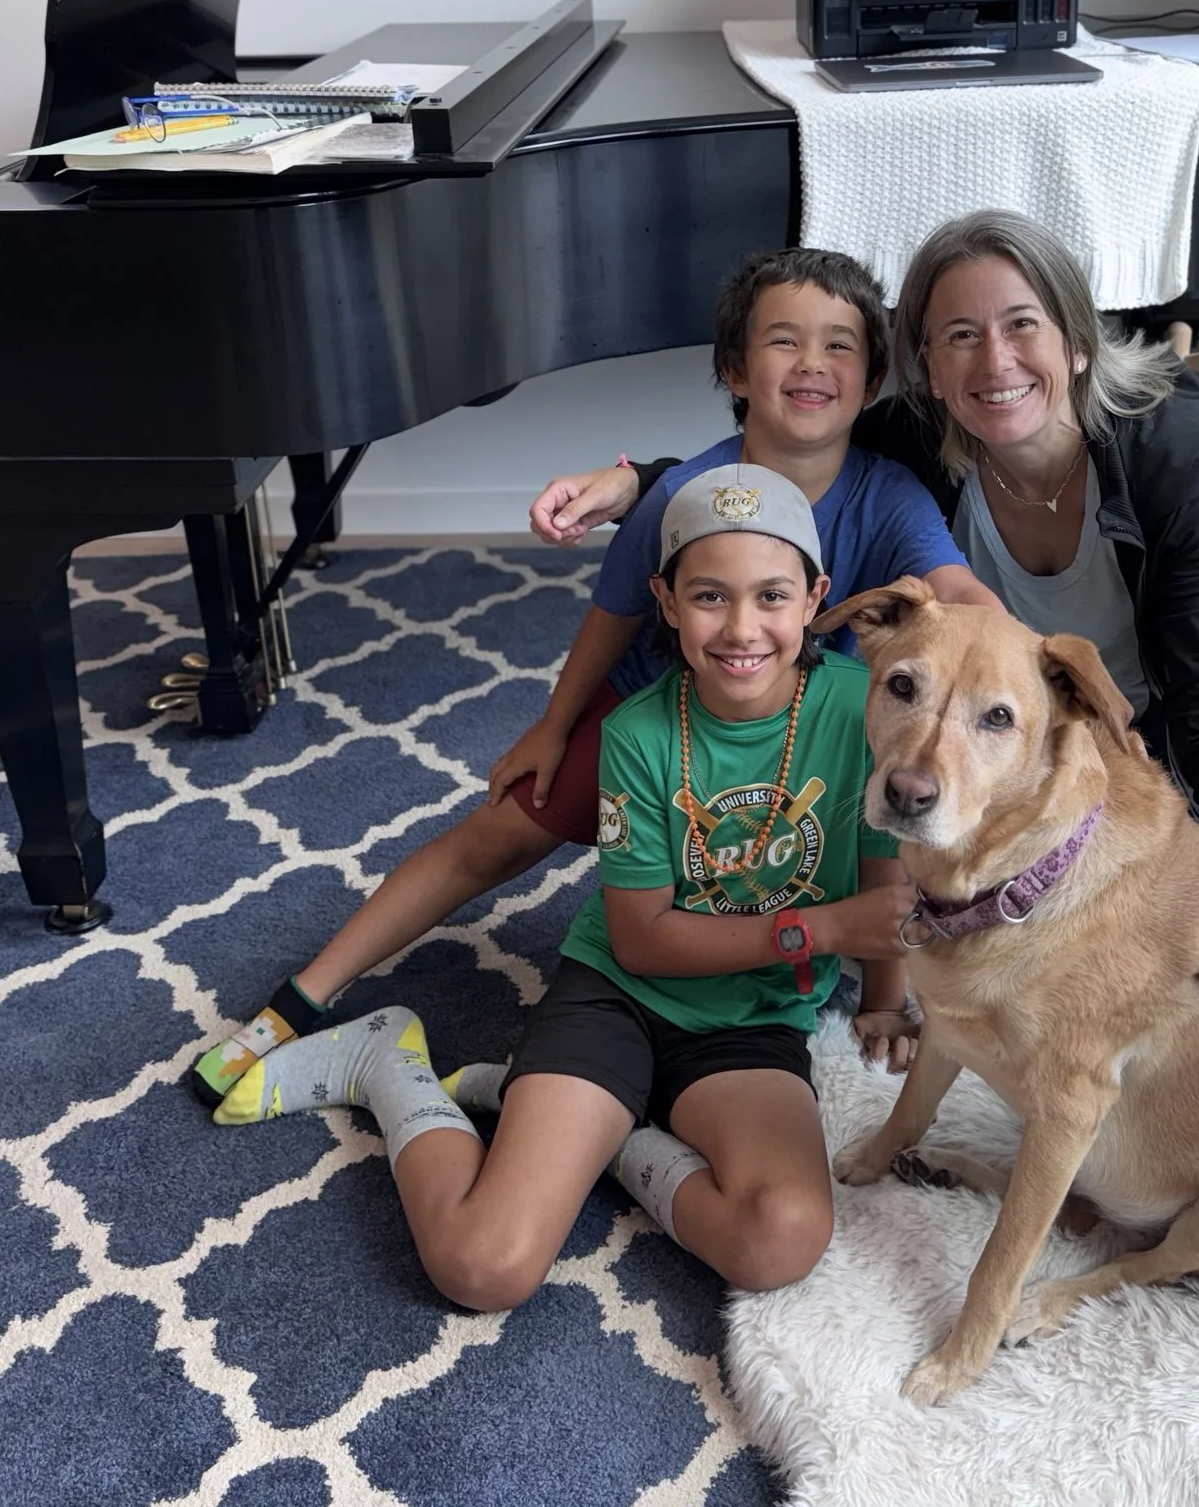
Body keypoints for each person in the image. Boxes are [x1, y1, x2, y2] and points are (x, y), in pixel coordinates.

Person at [186, 247, 997, 1107]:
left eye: (839, 346)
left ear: (871, 380)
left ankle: (856, 991)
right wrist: (555, 723)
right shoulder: (676, 493)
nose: (810, 364)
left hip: (805, 728)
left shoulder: (895, 496)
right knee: (503, 830)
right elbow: (612, 619)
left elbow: (960, 594)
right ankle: (303, 994)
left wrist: (1039, 664)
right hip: (667, 700)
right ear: (733, 368)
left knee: (891, 822)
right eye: (783, 342)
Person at [530, 209, 1199, 1007]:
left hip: (1127, 745)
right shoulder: (915, 441)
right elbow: (786, 460)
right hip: (962, 737)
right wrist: (641, 483)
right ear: (927, 368)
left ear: (1077, 342)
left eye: (1021, 326)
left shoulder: (1172, 452)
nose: (995, 359)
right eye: (960, 335)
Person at [211, 467, 919, 1312]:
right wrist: (824, 929)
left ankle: (618, 1143)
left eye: (772, 595)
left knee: (781, 1239)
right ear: (664, 600)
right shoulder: (637, 733)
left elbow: (887, 872)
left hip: (750, 1021)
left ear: (815, 597)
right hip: (619, 995)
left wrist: (883, 1001)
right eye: (707, 596)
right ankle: (386, 1064)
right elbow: (643, 940)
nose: (742, 628)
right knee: (483, 1267)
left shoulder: (868, 708)